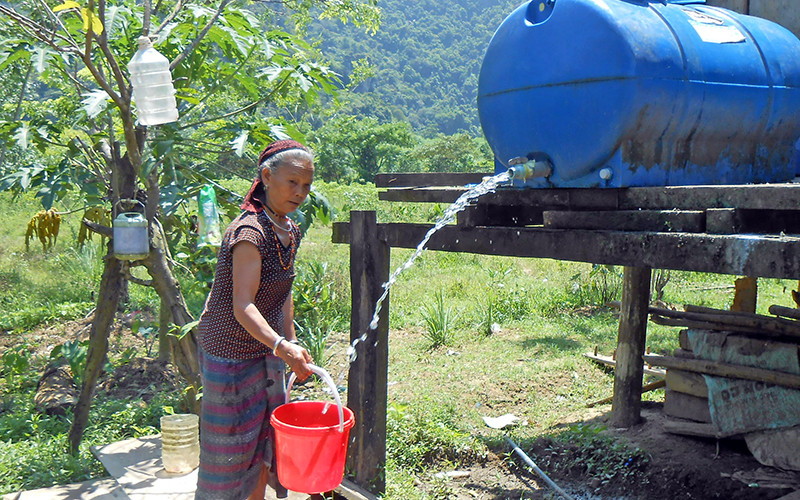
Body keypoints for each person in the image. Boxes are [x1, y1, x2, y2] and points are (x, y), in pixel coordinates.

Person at [195, 139, 315, 500]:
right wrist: (281, 346)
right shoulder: (250, 232)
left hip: (265, 349)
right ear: (266, 176)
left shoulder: (288, 229)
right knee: (229, 450)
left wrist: (289, 341)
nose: (300, 192)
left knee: (265, 441)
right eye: (292, 182)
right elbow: (242, 306)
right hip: (229, 353)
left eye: (306, 185)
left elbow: (283, 291)